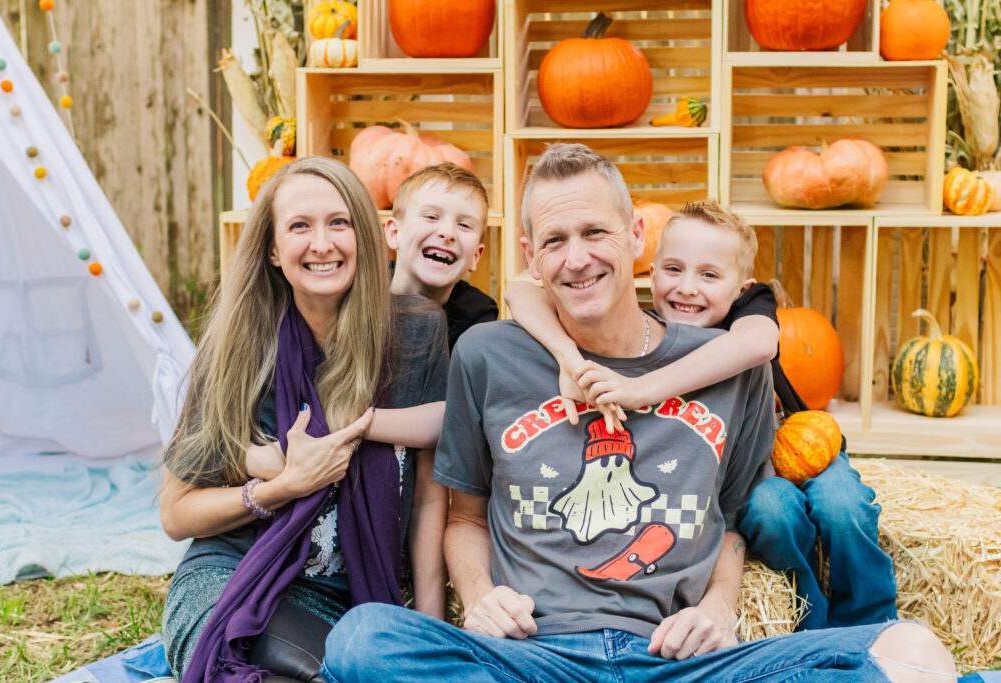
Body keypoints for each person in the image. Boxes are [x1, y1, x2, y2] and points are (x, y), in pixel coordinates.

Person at [319, 143, 956, 682]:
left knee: (912, 650)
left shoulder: (729, 367)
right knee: (362, 639)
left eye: (595, 232)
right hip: (534, 660)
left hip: (675, 661)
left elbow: (733, 520)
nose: (577, 258)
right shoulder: (487, 355)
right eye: (555, 241)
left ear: (636, 235)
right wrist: (481, 598)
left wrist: (719, 608)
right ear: (529, 254)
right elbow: (463, 515)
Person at [506, 199, 898, 631]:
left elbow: (759, 344)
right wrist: (566, 356)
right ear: (649, 274)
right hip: (755, 470)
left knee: (842, 506)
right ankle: (812, 620)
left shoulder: (749, 310)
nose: (688, 287)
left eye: (709, 275)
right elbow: (520, 288)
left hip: (799, 441)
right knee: (773, 513)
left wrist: (638, 390)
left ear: (742, 288)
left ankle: (872, 622)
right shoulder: (643, 328)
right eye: (673, 270)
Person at [159, 156, 450, 683]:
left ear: (363, 234)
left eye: (339, 223)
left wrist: (430, 625)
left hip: (356, 598)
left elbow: (430, 495)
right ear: (272, 248)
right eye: (299, 226)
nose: (322, 244)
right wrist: (282, 487)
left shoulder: (415, 337)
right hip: (235, 577)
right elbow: (177, 514)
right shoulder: (238, 348)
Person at [385, 162, 498, 350]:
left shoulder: (476, 319)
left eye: (464, 225)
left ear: (476, 256)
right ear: (395, 234)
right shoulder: (359, 291)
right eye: (431, 216)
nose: (447, 233)